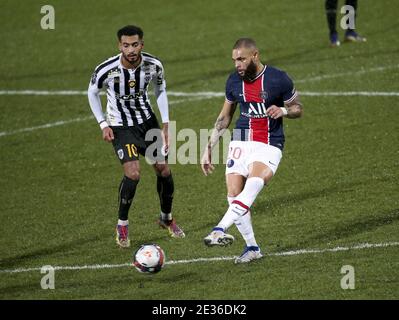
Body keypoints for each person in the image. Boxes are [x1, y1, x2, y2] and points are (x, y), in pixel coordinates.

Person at [201, 38, 303, 264]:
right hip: (240, 142)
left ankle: (219, 229)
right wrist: (209, 146)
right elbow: (225, 116)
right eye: (234, 60)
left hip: (268, 143)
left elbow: (298, 108)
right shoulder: (233, 81)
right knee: (234, 196)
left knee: (254, 183)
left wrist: (284, 111)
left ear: (255, 56)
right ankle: (252, 247)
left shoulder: (278, 79)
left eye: (242, 59)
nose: (237, 64)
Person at [88, 25, 185, 248]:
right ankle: (122, 224)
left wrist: (166, 124)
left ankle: (166, 219)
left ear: (142, 44)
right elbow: (92, 92)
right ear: (119, 46)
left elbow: (160, 91)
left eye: (134, 44)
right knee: (133, 173)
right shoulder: (106, 69)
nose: (130, 49)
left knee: (164, 170)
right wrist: (103, 123)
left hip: (147, 124)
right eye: (126, 45)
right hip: (121, 128)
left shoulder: (154, 65)